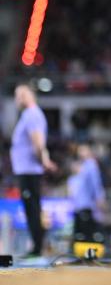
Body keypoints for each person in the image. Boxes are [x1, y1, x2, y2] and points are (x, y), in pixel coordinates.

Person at [10, 84, 57, 257]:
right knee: (32, 208)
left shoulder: (31, 114)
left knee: (33, 209)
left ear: (27, 95)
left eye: (19, 94)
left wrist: (43, 161)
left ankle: (37, 248)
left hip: (29, 171)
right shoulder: (29, 115)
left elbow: (38, 141)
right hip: (27, 170)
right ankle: (37, 247)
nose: (17, 99)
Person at [67, 143, 106, 245]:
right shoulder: (81, 167)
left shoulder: (91, 165)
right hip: (79, 205)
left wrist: (99, 197)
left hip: (86, 204)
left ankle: (90, 253)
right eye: (80, 151)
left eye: (84, 150)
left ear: (89, 152)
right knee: (79, 232)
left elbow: (95, 183)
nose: (81, 153)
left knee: (88, 231)